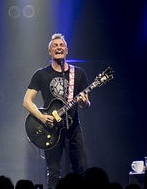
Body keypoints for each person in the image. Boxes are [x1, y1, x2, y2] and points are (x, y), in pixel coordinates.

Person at [23, 33, 92, 189]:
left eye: (62, 45)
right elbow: (27, 101)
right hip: (51, 129)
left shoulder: (79, 74)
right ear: (50, 51)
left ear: (67, 50)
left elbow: (86, 105)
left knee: (80, 170)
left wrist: (84, 102)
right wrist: (41, 117)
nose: (59, 47)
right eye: (55, 45)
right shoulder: (41, 74)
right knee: (54, 172)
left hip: (73, 128)